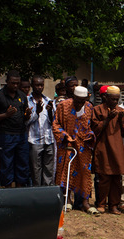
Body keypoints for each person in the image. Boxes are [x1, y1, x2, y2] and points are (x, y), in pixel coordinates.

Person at [53, 86, 96, 214]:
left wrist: (90, 136)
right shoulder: (63, 106)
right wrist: (64, 136)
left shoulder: (89, 107)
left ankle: (84, 202)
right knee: (66, 171)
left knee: (84, 172)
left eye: (82, 101)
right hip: (67, 144)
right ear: (73, 97)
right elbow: (56, 124)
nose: (79, 104)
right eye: (77, 101)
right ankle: (67, 201)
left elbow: (91, 126)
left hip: (83, 146)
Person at [0, 70, 30, 187]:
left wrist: (28, 115)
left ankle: (19, 192)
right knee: (6, 165)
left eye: (17, 83)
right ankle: (7, 192)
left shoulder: (22, 96)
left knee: (22, 164)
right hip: (5, 135)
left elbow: (25, 116)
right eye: (13, 83)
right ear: (7, 82)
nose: (15, 86)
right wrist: (6, 115)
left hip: (21, 135)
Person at [91, 86, 124, 214]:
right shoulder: (97, 110)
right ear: (106, 98)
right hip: (103, 147)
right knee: (104, 177)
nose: (115, 102)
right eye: (113, 99)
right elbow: (95, 129)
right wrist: (108, 119)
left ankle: (114, 205)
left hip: (117, 148)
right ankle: (101, 203)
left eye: (117, 99)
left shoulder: (120, 110)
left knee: (116, 178)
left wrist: (122, 119)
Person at [27, 75, 56, 186]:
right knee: (35, 170)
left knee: (48, 169)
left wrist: (49, 112)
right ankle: (37, 193)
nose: (39, 87)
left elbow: (53, 122)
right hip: (35, 141)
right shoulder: (27, 101)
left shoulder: (48, 100)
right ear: (32, 86)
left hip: (49, 140)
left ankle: (46, 193)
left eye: (41, 85)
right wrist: (37, 112)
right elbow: (26, 122)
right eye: (37, 85)